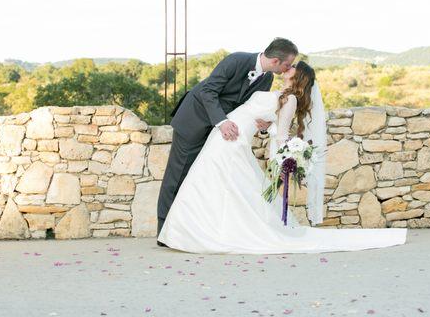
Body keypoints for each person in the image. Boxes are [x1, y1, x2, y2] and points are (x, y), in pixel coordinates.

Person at [157, 61, 408, 254]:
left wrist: (285, 158)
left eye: (292, 67)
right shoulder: (278, 91)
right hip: (226, 133)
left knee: (215, 183)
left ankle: (210, 233)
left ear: (298, 76)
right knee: (211, 184)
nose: (288, 68)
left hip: (232, 140)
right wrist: (264, 124)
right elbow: (266, 119)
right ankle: (200, 229)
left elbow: (282, 134)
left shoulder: (290, 99)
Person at [156, 38, 299, 246]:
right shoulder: (236, 60)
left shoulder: (266, 79)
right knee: (178, 175)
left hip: (220, 135)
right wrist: (222, 122)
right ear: (276, 60)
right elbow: (208, 91)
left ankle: (188, 228)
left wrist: (263, 124)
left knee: (200, 179)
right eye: (288, 64)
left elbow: (249, 106)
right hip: (194, 120)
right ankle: (164, 233)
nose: (289, 68)